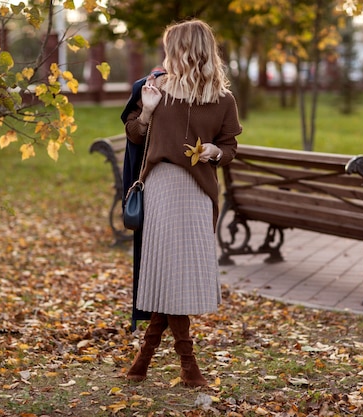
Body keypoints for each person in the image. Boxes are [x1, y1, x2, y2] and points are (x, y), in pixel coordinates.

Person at [123, 19, 242, 387]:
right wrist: (146, 111)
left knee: (174, 276)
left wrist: (215, 152)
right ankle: (188, 366)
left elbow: (230, 147)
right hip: (162, 187)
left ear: (185, 49)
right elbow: (134, 136)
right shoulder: (153, 87)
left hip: (198, 192)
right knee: (168, 273)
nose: (165, 55)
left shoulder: (222, 98)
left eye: (170, 47)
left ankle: (144, 359)